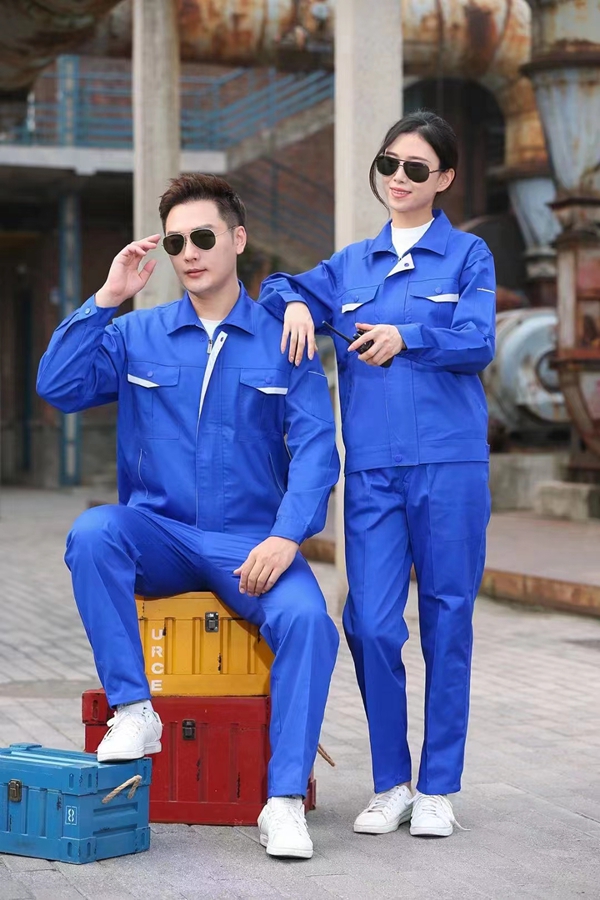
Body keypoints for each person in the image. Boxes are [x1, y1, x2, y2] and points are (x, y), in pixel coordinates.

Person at [37, 173, 340, 860]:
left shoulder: (283, 340)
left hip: (250, 543)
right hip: (162, 534)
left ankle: (283, 801)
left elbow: (318, 451)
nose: (190, 252)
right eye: (176, 242)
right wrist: (107, 298)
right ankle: (134, 709)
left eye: (203, 236)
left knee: (308, 621)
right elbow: (57, 385)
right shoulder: (136, 333)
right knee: (93, 533)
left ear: (238, 239)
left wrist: (286, 537)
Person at [259, 111, 495, 838]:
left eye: (416, 168)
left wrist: (409, 334)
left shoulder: (469, 255)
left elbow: (479, 340)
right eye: (389, 163)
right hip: (373, 473)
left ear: (444, 179)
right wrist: (296, 305)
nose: (398, 178)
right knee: (368, 623)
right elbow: (275, 284)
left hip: (450, 465)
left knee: (447, 619)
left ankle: (438, 787)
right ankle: (391, 782)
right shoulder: (351, 265)